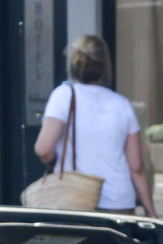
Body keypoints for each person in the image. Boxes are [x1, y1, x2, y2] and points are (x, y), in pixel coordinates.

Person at [33, 36, 153, 216]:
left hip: (75, 201)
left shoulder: (64, 96)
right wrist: (152, 214)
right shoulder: (123, 105)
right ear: (105, 66)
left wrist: (55, 162)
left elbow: (44, 150)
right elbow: (136, 168)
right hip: (119, 204)